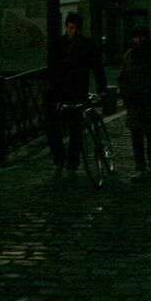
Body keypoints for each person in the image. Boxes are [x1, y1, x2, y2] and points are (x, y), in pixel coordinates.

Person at [46, 11, 107, 179]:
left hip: (78, 92)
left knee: (76, 131)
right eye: (71, 28)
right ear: (66, 27)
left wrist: (102, 88)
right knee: (51, 129)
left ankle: (72, 165)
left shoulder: (87, 44)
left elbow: (97, 67)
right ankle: (59, 160)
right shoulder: (58, 44)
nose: (73, 32)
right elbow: (54, 72)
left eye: (76, 29)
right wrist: (57, 96)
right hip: (60, 92)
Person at [118, 25, 151, 181]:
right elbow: (123, 76)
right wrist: (126, 94)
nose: (138, 40)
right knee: (136, 136)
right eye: (136, 37)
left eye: (141, 37)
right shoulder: (129, 55)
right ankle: (140, 166)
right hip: (135, 101)